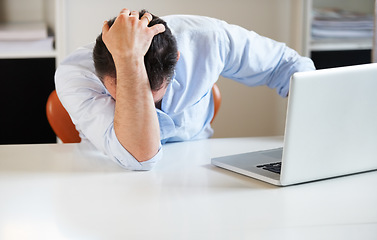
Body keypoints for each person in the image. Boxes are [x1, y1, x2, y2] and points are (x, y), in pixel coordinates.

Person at [55, 9, 315, 170]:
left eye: (155, 97)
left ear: (176, 60)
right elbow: (139, 157)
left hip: (198, 170)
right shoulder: (75, 74)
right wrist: (128, 61)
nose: (148, 105)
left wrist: (319, 126)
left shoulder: (207, 38)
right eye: (119, 95)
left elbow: (288, 65)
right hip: (107, 173)